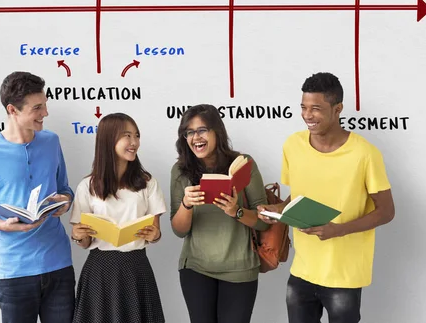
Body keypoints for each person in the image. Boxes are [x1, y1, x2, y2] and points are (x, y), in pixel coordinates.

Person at [258, 72, 395, 323]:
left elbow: (386, 211)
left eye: (316, 109)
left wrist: (339, 230)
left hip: (344, 275)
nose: (307, 115)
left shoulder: (365, 154)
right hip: (302, 270)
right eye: (303, 107)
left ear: (338, 109)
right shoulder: (293, 145)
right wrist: (276, 208)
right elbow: (296, 197)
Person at [0, 71, 75, 323]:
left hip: (58, 264)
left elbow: (65, 189)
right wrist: (3, 225)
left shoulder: (51, 141)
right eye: (37, 108)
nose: (45, 113)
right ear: (13, 110)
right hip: (14, 271)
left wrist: (64, 202)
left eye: (45, 106)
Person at [170, 104, 269, 323]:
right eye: (189, 132)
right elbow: (178, 231)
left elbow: (264, 222)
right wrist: (186, 205)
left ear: (217, 131)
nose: (196, 137)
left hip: (240, 267)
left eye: (202, 130)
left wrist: (237, 211)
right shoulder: (180, 171)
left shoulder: (243, 164)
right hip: (196, 267)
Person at [70, 113, 166, 323]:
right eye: (127, 136)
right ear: (108, 140)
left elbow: (155, 234)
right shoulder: (87, 186)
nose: (134, 142)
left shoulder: (148, 183)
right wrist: (78, 235)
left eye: (137, 136)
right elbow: (84, 241)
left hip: (136, 267)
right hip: (100, 271)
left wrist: (154, 234)